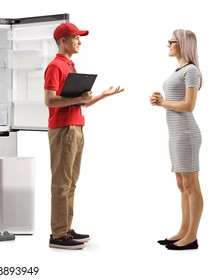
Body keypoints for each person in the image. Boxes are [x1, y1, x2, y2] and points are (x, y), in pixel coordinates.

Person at [44, 22, 124, 249]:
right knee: (61, 183)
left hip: (76, 127)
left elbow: (79, 103)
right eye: (76, 37)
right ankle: (57, 235)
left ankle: (65, 229)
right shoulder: (55, 66)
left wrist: (101, 96)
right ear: (63, 41)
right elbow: (49, 100)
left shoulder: (70, 65)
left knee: (70, 183)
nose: (79, 41)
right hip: (63, 129)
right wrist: (79, 99)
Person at [150, 29, 203, 250]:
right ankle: (183, 230)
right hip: (176, 133)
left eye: (172, 41)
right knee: (182, 185)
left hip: (186, 134)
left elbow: (189, 106)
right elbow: (174, 100)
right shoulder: (179, 70)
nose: (169, 44)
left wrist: (163, 103)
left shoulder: (191, 71)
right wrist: (159, 100)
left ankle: (191, 236)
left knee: (192, 185)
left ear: (183, 44)